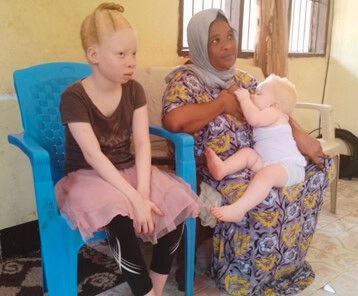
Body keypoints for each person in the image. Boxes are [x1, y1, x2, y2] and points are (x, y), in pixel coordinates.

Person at [162, 8, 333, 296]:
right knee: (263, 197)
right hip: (218, 165)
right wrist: (220, 104)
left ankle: (282, 264)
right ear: (200, 46)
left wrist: (300, 135)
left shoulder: (241, 78)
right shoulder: (186, 80)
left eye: (229, 36)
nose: (228, 45)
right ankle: (243, 273)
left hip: (259, 157)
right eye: (215, 40)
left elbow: (275, 108)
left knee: (315, 173)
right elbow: (174, 120)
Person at [54, 3, 199, 296]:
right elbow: (93, 156)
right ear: (94, 55)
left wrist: (143, 194)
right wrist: (132, 199)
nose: (131, 62)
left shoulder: (134, 90)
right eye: (121, 54)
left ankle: (155, 291)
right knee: (120, 221)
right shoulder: (74, 97)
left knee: (174, 211)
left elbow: (143, 142)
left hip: (130, 171)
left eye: (133, 53)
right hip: (89, 177)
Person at [206, 74, 307, 223]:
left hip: (289, 166)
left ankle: (238, 210)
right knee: (248, 153)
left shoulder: (275, 113)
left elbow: (254, 119)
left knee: (266, 175)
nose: (253, 95)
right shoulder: (270, 112)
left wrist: (244, 99)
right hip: (267, 162)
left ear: (275, 105)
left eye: (259, 93)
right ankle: (223, 168)